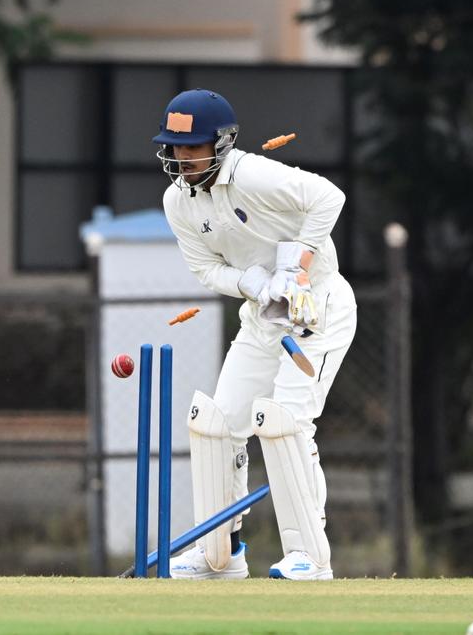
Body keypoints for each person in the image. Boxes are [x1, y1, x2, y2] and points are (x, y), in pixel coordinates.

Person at [153, 89, 356, 580]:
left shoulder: (253, 174)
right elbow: (206, 269)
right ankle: (222, 553)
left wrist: (297, 266)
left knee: (284, 422)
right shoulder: (177, 201)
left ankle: (309, 555)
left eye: (192, 147)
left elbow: (329, 196)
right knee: (218, 423)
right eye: (175, 148)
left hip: (317, 312)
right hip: (262, 317)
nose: (182, 158)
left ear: (221, 143)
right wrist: (255, 283)